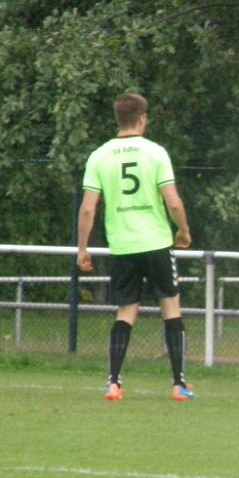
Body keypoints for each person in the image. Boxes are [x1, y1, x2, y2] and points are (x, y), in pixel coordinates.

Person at [77, 93, 195, 401]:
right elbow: (173, 202)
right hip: (157, 243)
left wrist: (82, 248)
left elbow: (88, 209)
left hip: (123, 246)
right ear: (142, 119)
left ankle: (113, 383)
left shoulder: (99, 156)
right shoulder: (155, 153)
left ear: (118, 119)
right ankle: (179, 384)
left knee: (125, 312)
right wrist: (184, 230)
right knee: (171, 308)